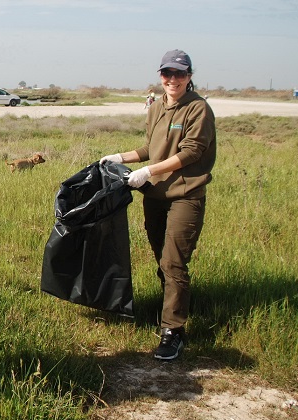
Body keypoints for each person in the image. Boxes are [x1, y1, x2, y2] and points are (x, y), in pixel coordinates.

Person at [100, 49, 216, 361]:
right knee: (162, 260)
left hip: (185, 195)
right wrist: (121, 158)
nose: (173, 79)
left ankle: (173, 331)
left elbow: (191, 152)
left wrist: (149, 171)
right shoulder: (156, 107)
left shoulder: (198, 109)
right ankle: (171, 307)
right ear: (160, 76)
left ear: (190, 76)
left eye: (179, 73)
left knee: (174, 262)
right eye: (167, 73)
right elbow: (152, 147)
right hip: (155, 197)